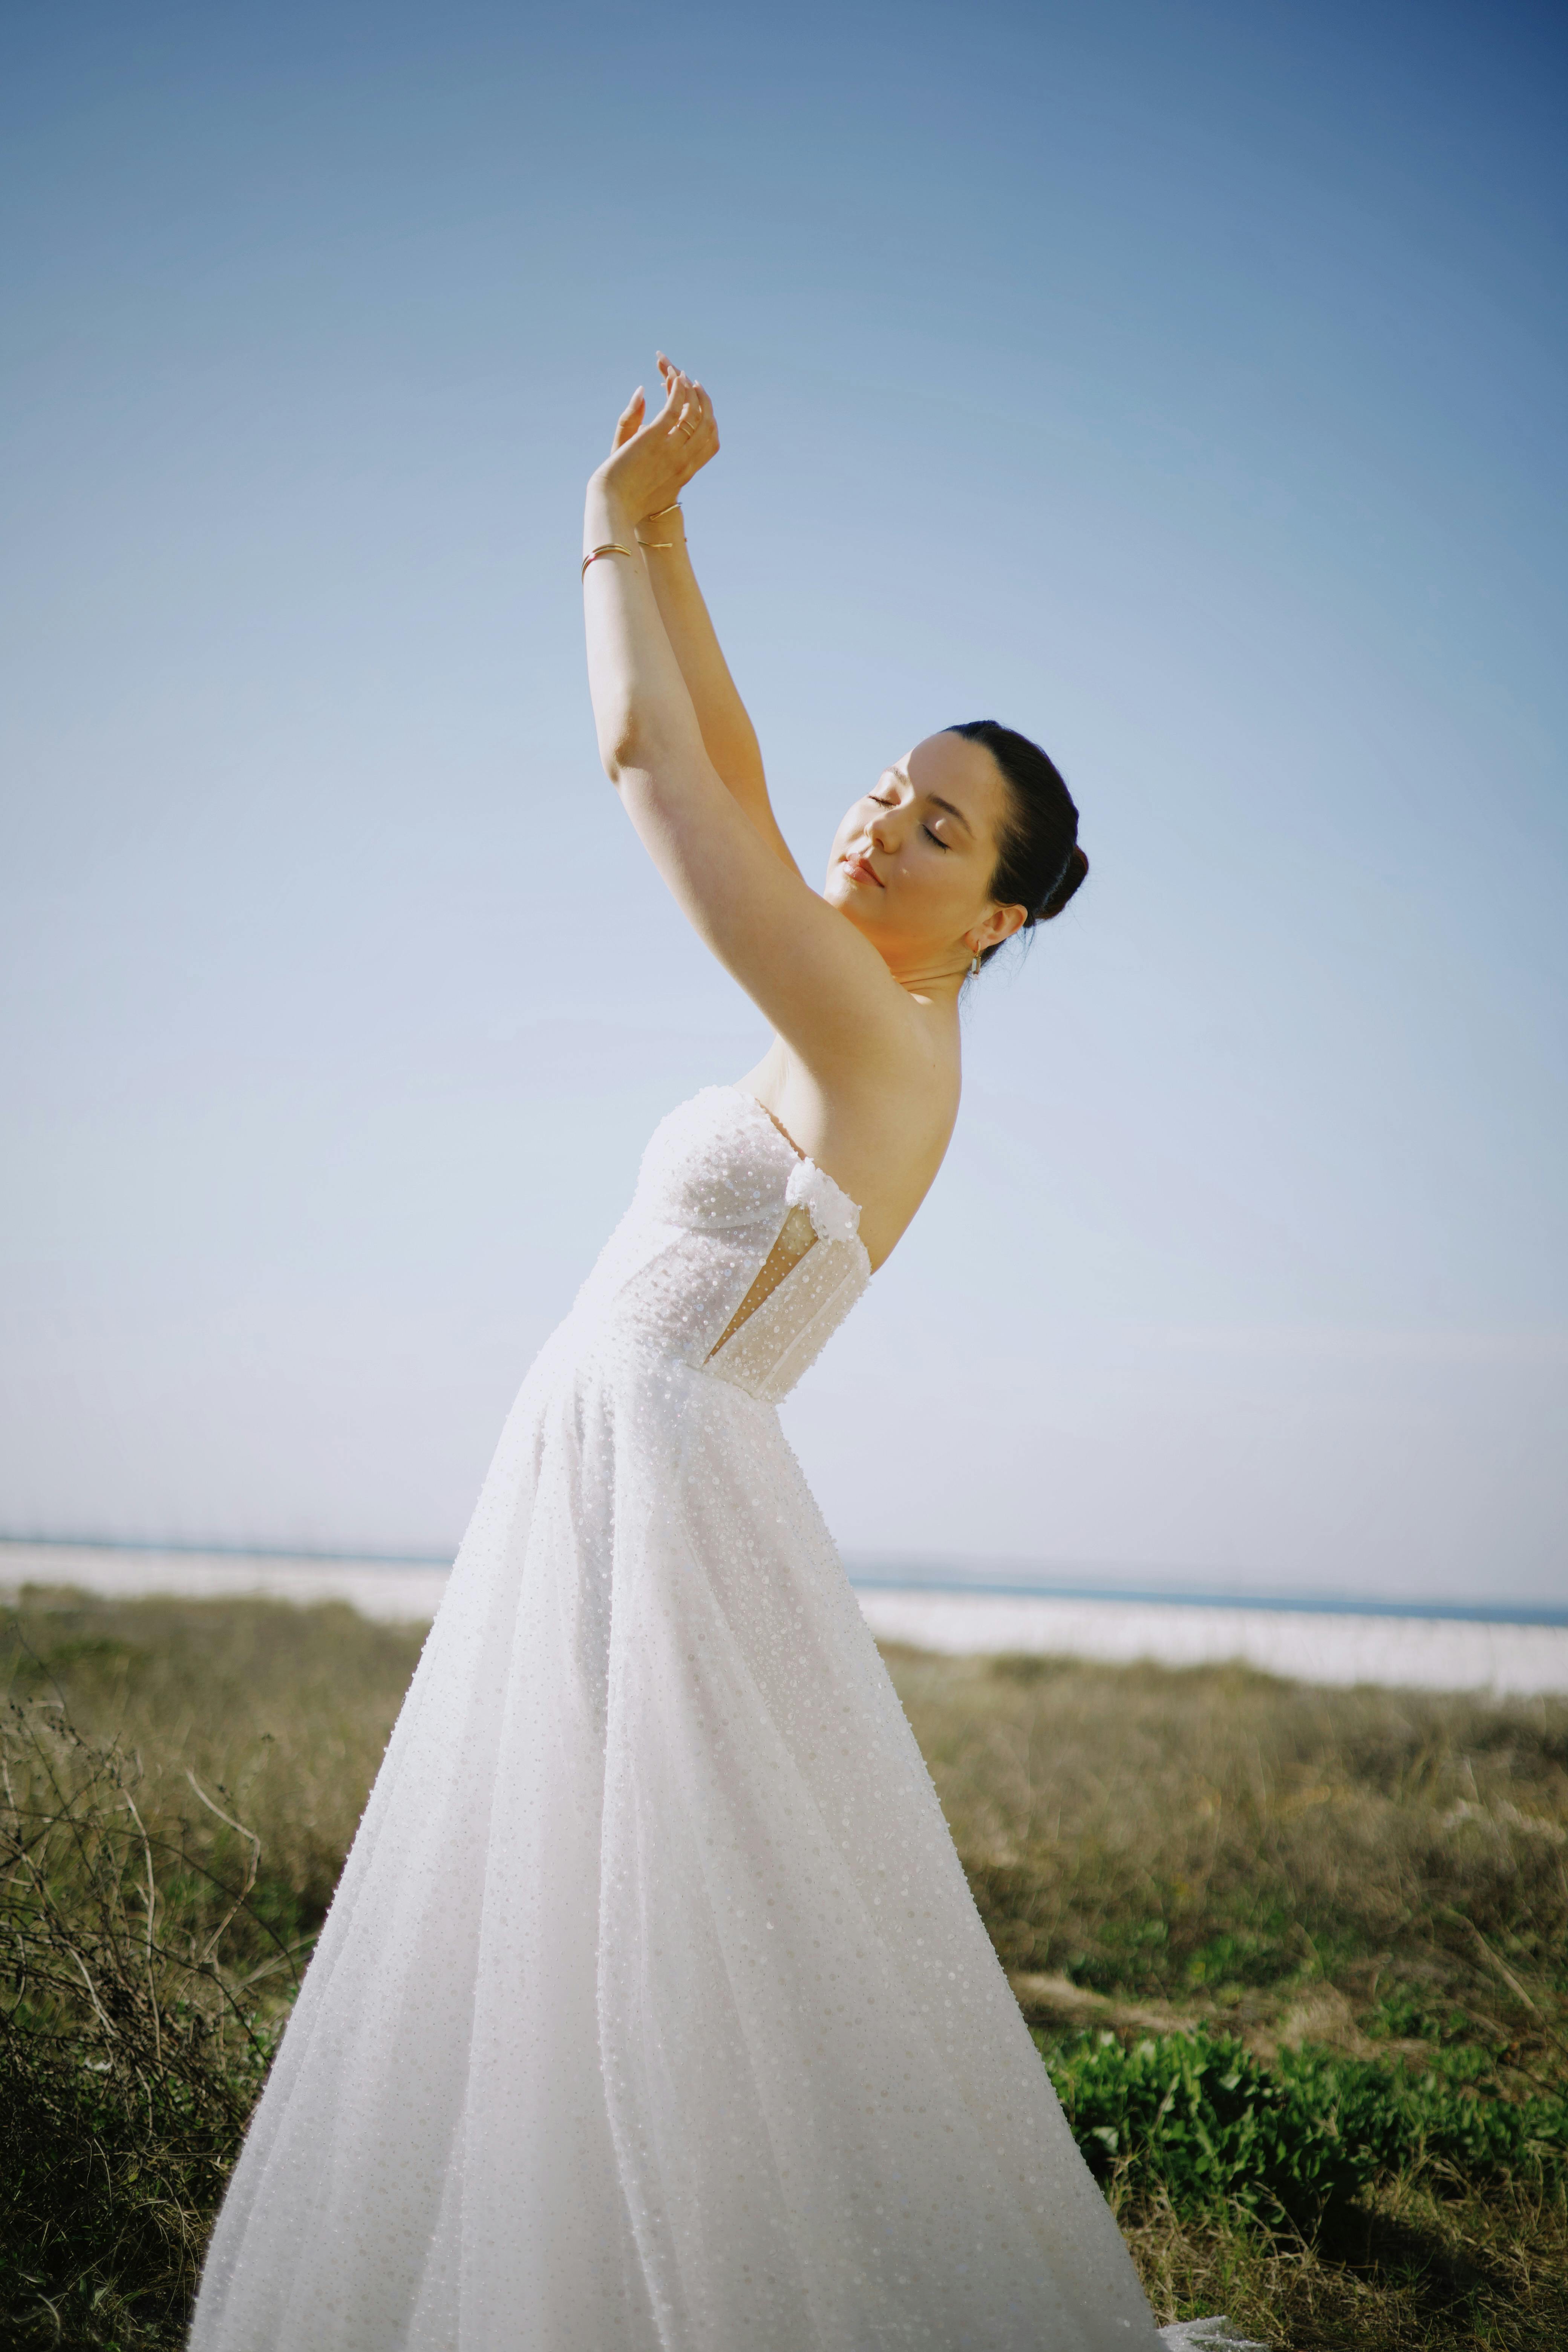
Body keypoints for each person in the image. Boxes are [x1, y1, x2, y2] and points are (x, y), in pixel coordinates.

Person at [190, 360, 1194, 2351]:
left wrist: (597, 521)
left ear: (995, 915)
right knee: (587, 1935)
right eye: (887, 789)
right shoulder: (868, 992)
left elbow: (655, 776)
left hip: (657, 1494)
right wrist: (666, 530)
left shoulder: (877, 1029)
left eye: (936, 826)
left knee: (643, 1946)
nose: (878, 826)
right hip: (632, 1474)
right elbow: (734, 772)